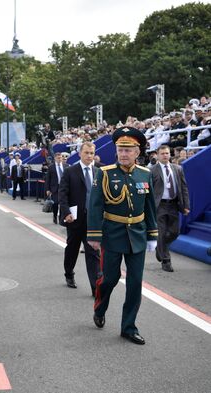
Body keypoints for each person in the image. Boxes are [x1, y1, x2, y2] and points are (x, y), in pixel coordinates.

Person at [87, 127, 158, 345]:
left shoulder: (145, 174)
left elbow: (149, 206)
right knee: (109, 279)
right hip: (112, 234)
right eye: (120, 149)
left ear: (138, 152)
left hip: (137, 234)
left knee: (135, 283)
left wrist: (152, 233)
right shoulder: (105, 173)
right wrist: (94, 235)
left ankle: (129, 327)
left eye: (128, 150)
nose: (124, 154)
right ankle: (100, 308)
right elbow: (96, 205)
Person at [58, 142, 101, 295]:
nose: (89, 156)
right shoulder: (71, 171)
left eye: (92, 153)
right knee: (72, 249)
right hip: (75, 220)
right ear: (80, 153)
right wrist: (66, 212)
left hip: (93, 221)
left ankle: (95, 287)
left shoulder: (98, 172)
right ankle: (69, 273)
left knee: (93, 253)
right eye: (87, 153)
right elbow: (62, 194)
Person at [151, 145, 190, 272]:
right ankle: (166, 261)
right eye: (162, 153)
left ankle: (160, 247)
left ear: (170, 154)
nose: (165, 155)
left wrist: (186, 205)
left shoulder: (178, 168)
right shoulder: (152, 170)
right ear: (157, 155)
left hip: (173, 204)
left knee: (174, 232)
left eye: (167, 153)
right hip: (159, 205)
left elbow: (184, 188)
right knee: (161, 232)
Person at [45, 152, 68, 224]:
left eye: (60, 158)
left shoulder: (66, 166)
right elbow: (48, 179)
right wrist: (48, 189)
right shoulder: (51, 167)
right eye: (58, 158)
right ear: (55, 158)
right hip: (54, 188)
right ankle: (55, 216)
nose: (60, 159)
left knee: (62, 203)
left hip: (64, 187)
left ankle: (61, 217)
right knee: (55, 203)